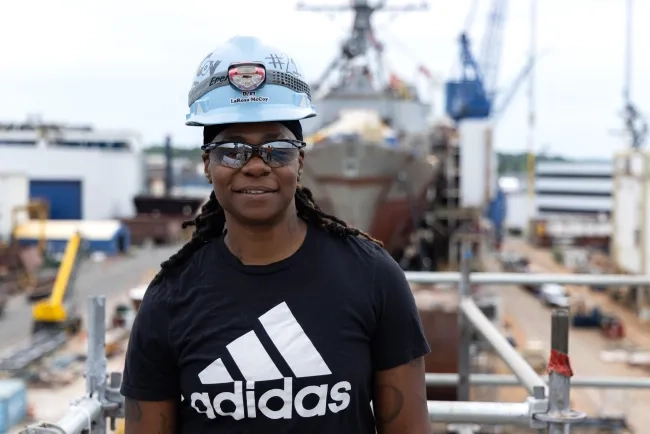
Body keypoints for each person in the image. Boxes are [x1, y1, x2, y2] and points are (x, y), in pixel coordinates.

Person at [120, 35, 432, 434]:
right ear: (206, 165)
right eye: (232, 149)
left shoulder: (374, 279)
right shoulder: (169, 300)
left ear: (300, 161)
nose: (254, 165)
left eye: (276, 149)